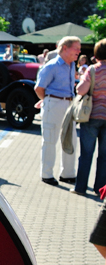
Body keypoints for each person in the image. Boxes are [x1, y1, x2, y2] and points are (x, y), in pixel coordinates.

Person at [34, 36, 81, 186]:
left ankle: (68, 173)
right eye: (76, 48)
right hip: (54, 103)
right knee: (50, 139)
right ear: (64, 48)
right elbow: (39, 88)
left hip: (69, 104)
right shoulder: (51, 66)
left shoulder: (72, 65)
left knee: (70, 139)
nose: (79, 51)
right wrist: (48, 100)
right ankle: (46, 174)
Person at [72, 39, 106, 196]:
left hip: (91, 116)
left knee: (86, 153)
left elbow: (81, 90)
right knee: (104, 156)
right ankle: (100, 189)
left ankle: (80, 187)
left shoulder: (93, 70)